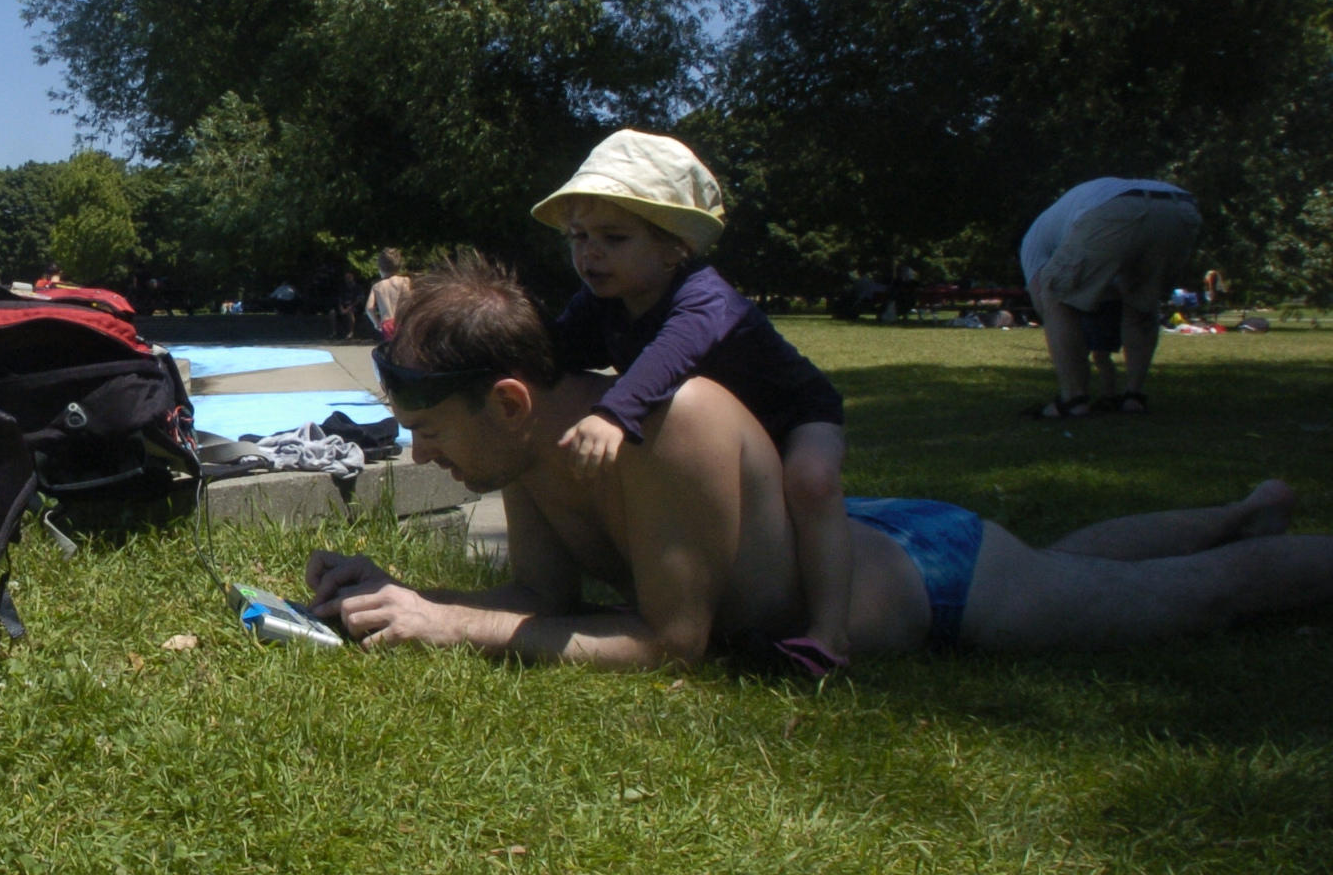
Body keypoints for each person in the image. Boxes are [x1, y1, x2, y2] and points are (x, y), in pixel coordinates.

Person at [306, 255, 1333, 667]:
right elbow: (540, 600)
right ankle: (1240, 511)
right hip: (864, 536)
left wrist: (449, 623)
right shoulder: (530, 449)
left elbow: (671, 644)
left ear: (509, 401)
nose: (421, 454)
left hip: (933, 580)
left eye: (430, 430)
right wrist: (405, 597)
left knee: (1192, 602)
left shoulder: (659, 424)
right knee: (1071, 562)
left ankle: (1266, 543)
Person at [533, 130, 854, 670]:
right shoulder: (602, 301)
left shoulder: (705, 299)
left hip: (795, 414)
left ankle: (828, 637)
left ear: (673, 247)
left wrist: (613, 414)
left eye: (614, 237)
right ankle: (665, 598)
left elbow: (669, 357)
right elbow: (556, 352)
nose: (590, 252)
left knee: (812, 483)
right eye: (578, 235)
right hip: (723, 436)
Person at [1020, 177, 1201, 418]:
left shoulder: (1032, 243)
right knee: (1142, 302)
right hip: (1182, 208)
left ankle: (1073, 400)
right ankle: (1133, 397)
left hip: (1116, 207)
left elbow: (1044, 300)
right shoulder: (1062, 219)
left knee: (1056, 298)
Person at [365, 249, 412, 338]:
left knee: (390, 345)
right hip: (401, 321)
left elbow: (369, 308)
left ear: (380, 268)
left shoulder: (377, 286)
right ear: (399, 266)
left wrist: (377, 324)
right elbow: (408, 301)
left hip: (386, 323)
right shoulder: (404, 281)